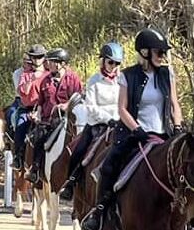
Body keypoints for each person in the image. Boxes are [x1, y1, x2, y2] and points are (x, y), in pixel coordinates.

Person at [81, 28, 187, 230]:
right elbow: (122, 108)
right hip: (134, 134)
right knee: (109, 165)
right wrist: (137, 129)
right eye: (159, 52)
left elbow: (175, 104)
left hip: (163, 135)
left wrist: (178, 127)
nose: (162, 56)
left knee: (187, 166)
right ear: (145, 52)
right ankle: (99, 212)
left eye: (164, 52)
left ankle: (187, 218)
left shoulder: (167, 74)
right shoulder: (128, 76)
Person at [59, 42, 126, 201]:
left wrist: (122, 118)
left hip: (120, 124)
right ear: (103, 61)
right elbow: (91, 107)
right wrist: (108, 119)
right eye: (111, 62)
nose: (114, 66)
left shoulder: (123, 80)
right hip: (97, 124)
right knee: (79, 150)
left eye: (117, 63)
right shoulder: (94, 81)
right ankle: (70, 183)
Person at [23, 48, 82, 184]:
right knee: (38, 138)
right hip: (48, 120)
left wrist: (66, 105)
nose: (48, 63)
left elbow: (78, 98)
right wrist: (37, 114)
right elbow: (41, 101)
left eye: (52, 61)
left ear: (61, 63)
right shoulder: (46, 80)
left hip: (67, 119)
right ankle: (35, 170)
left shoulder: (73, 78)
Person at [10, 44, 49, 168]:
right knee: (20, 128)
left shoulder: (49, 74)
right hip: (28, 110)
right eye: (34, 57)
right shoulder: (25, 74)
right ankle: (18, 157)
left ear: (44, 58)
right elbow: (24, 92)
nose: (36, 60)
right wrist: (31, 79)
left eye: (39, 57)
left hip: (44, 110)